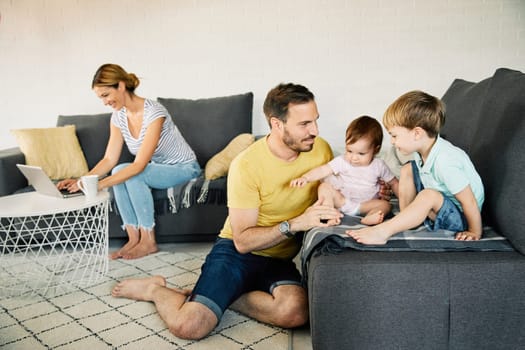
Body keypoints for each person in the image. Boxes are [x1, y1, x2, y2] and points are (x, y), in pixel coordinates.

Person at [110, 83, 343, 340]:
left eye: (315, 121)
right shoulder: (246, 165)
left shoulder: (320, 150)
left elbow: (334, 189)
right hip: (235, 252)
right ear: (277, 124)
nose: (315, 131)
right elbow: (243, 242)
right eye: (305, 124)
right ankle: (154, 289)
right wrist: (295, 224)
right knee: (189, 326)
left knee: (296, 312)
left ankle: (226, 295)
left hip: (278, 259)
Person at [57, 64, 201, 259]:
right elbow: (109, 159)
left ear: (121, 86)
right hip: (157, 168)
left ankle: (149, 241)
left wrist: (99, 184)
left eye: (106, 95)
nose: (104, 102)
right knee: (118, 169)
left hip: (183, 168)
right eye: (101, 97)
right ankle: (134, 239)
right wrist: (82, 180)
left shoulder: (154, 112)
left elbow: (139, 165)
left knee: (129, 172)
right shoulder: (118, 117)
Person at [347, 90, 484, 245]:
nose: (392, 142)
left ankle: (383, 232)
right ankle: (408, 218)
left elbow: (469, 201)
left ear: (417, 133)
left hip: (461, 216)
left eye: (394, 135)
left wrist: (474, 231)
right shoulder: (422, 151)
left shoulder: (446, 161)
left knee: (428, 195)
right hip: (444, 203)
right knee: (408, 169)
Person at [290, 115, 399, 225]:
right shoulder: (342, 161)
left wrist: (405, 202)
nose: (354, 157)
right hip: (342, 201)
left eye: (361, 153)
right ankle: (329, 214)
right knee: (324, 187)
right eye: (349, 151)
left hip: (365, 205)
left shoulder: (379, 165)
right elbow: (323, 170)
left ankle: (371, 216)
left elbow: (394, 183)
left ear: (376, 150)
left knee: (386, 205)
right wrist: (306, 178)